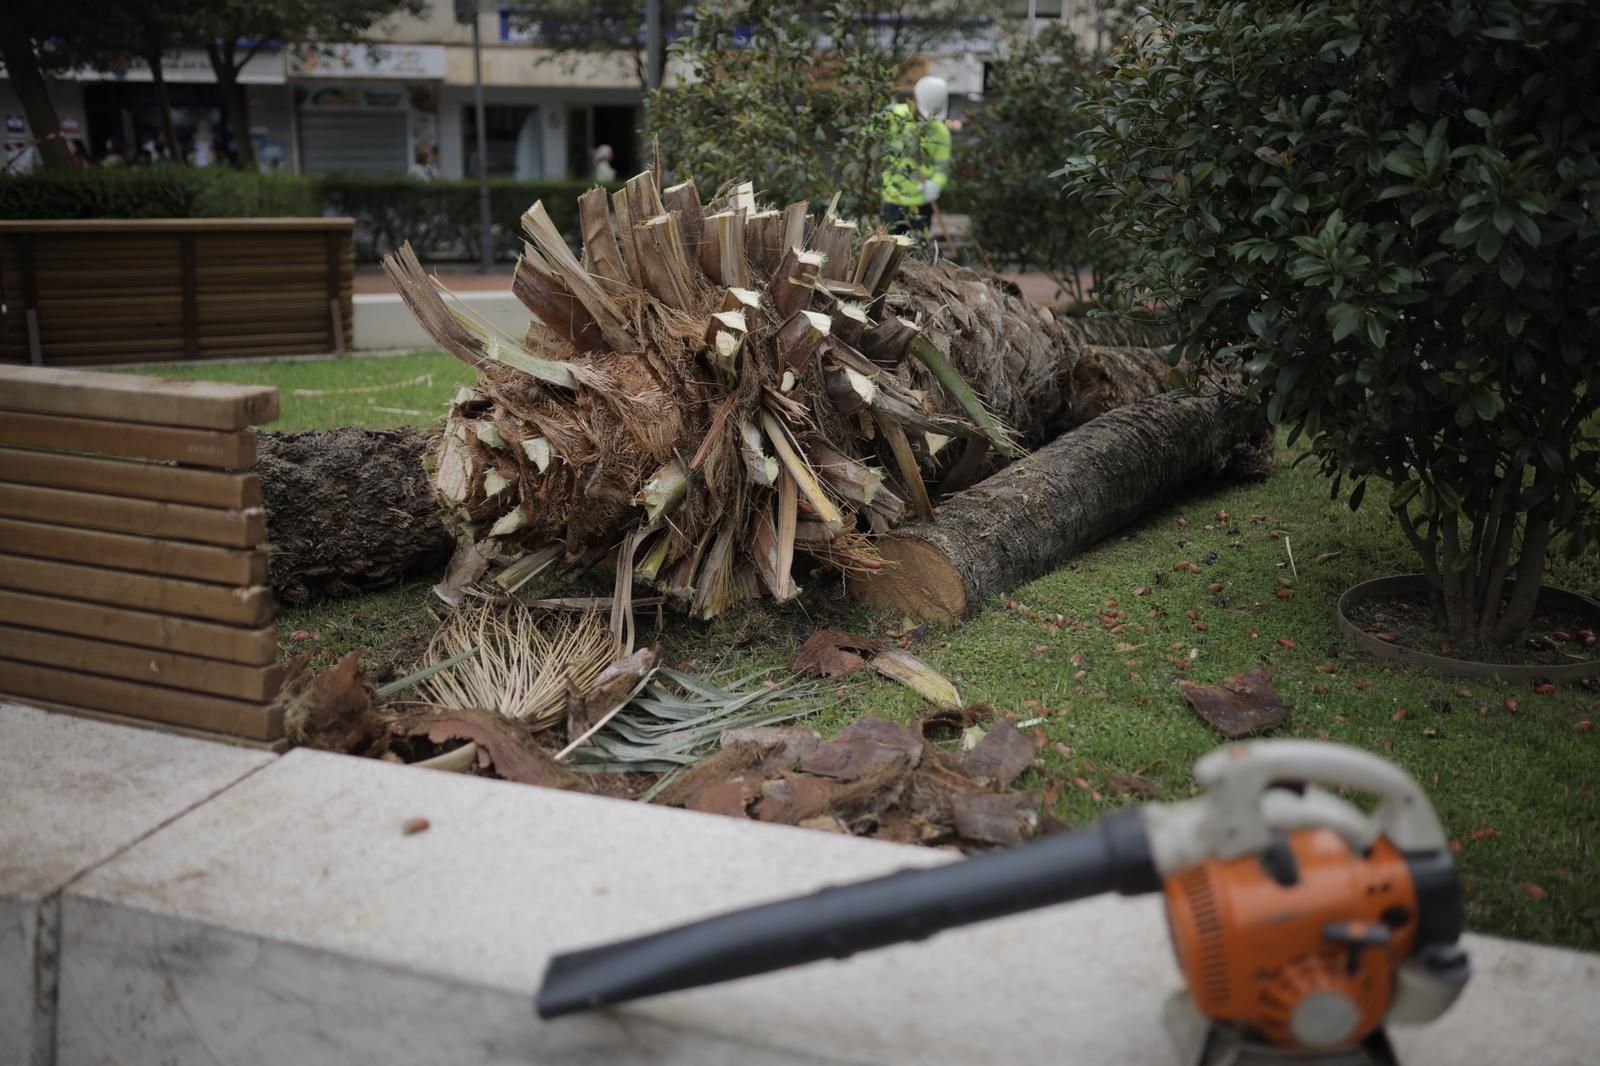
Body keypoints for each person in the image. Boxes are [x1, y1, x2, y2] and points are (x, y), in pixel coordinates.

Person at [880, 76, 952, 235]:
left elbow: (942, 170)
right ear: (915, 99)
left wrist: (935, 185)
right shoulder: (894, 117)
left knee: (918, 248)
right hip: (893, 200)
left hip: (922, 204)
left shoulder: (941, 132)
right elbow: (870, 139)